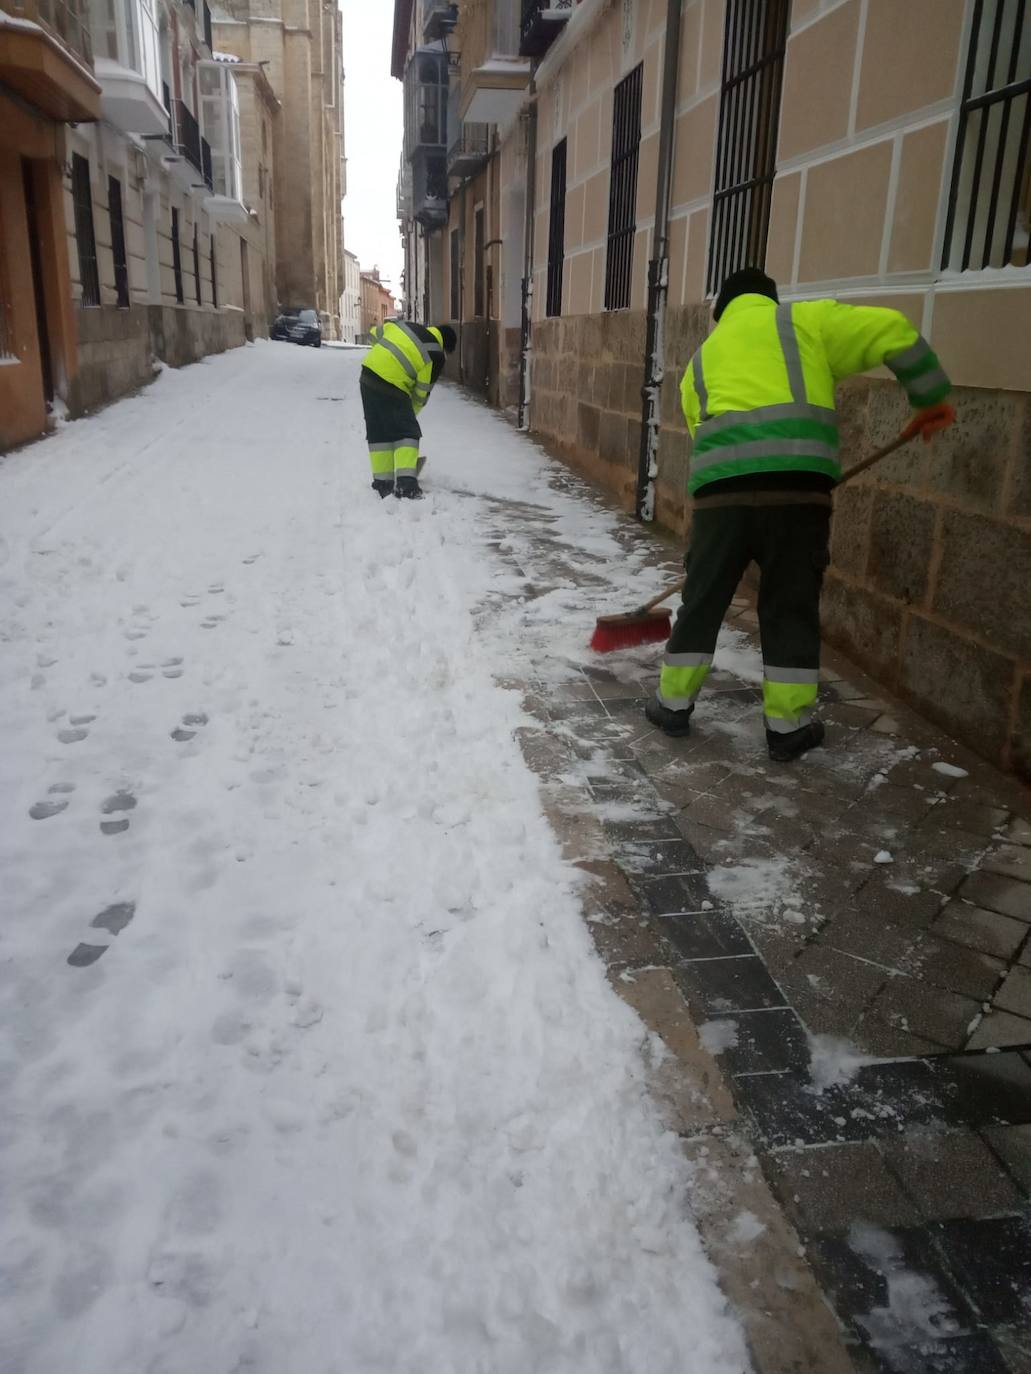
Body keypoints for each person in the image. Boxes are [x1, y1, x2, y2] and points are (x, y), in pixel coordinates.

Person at [645, 268, 955, 762]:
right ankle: (787, 731)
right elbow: (894, 331)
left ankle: (672, 706)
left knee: (702, 601)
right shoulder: (805, 322)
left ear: (720, 312)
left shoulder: (702, 360)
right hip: (798, 496)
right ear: (771, 300)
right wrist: (929, 395)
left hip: (720, 500)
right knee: (789, 608)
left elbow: (697, 426)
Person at [359, 320, 457, 499]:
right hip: (393, 385)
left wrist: (386, 357)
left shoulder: (405, 326)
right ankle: (406, 486)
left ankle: (383, 484)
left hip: (367, 376)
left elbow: (374, 334)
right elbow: (421, 394)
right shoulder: (435, 353)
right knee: (408, 433)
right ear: (446, 346)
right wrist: (408, 415)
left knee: (379, 433)